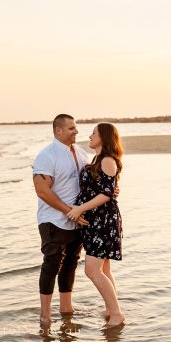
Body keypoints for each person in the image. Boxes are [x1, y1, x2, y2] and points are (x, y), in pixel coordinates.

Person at [32, 114, 90, 325]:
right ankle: (45, 315)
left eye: (75, 128)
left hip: (77, 220)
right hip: (53, 220)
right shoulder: (47, 156)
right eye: (71, 128)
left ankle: (66, 308)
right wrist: (67, 210)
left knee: (71, 263)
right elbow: (42, 191)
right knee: (51, 264)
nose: (76, 131)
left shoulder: (82, 154)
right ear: (58, 130)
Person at [67, 123, 125, 328]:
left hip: (103, 222)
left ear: (104, 137)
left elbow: (107, 193)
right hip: (97, 222)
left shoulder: (107, 160)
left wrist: (79, 208)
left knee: (92, 270)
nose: (89, 136)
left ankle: (117, 314)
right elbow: (107, 189)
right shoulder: (98, 159)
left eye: (94, 133)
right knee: (104, 268)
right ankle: (111, 309)